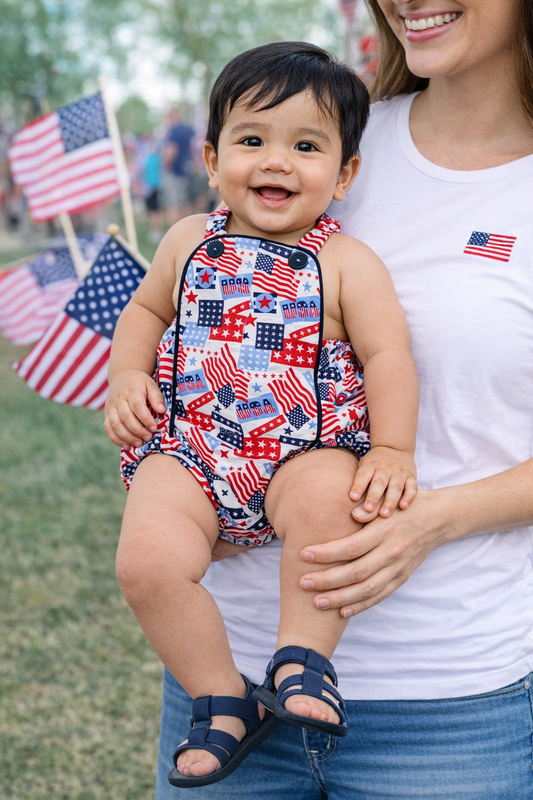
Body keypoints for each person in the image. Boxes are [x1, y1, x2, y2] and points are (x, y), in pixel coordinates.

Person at [147, 1, 533, 798]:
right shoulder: (314, 128)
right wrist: (194, 475)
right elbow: (194, 312)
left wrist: (431, 517)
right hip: (226, 686)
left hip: (446, 707)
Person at [104, 43, 419, 788]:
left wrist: (393, 449)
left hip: (303, 447)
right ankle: (218, 696)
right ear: (212, 160)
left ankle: (301, 661)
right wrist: (126, 375)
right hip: (193, 451)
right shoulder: (187, 241)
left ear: (343, 174)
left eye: (305, 146)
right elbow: (146, 311)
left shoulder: (346, 261)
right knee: (145, 563)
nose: (275, 161)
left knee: (327, 512)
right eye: (252, 141)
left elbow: (388, 358)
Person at [162, 109, 194, 225]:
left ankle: (175, 236)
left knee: (173, 205)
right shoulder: (186, 130)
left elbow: (171, 151)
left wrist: (164, 166)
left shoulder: (175, 131)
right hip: (185, 171)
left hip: (175, 172)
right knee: (184, 204)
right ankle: (187, 232)